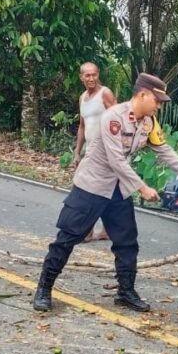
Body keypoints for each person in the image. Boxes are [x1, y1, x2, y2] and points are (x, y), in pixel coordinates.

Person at [34, 73, 178, 313]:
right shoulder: (113, 117)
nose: (158, 106)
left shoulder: (149, 123)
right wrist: (142, 187)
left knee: (127, 242)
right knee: (68, 237)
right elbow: (116, 160)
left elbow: (163, 150)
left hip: (118, 188)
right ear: (143, 95)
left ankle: (125, 292)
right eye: (157, 101)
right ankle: (44, 289)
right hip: (92, 185)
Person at [73, 62, 115, 241]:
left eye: (94, 75)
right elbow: (82, 126)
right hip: (90, 150)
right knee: (101, 189)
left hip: (105, 152)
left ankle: (88, 231)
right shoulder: (82, 98)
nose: (91, 78)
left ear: (98, 75)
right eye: (87, 75)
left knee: (89, 188)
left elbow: (117, 119)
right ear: (81, 77)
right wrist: (77, 151)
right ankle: (106, 230)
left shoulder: (105, 93)